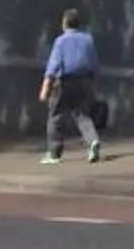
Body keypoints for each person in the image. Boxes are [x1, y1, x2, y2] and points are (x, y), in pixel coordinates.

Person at [39, 9, 107, 166]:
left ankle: (54, 153)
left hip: (64, 83)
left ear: (64, 23)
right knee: (83, 115)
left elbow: (54, 65)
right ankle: (93, 141)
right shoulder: (87, 40)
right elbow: (94, 64)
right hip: (83, 82)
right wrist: (92, 82)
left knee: (56, 116)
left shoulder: (61, 41)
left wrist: (45, 87)